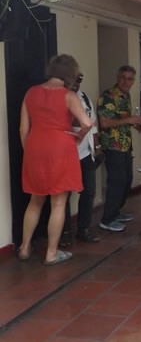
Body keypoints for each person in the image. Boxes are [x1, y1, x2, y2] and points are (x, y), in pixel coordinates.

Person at [18, 54, 93, 265]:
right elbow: (87, 122)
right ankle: (51, 253)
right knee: (58, 202)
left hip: (35, 146)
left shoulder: (31, 93)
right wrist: (78, 137)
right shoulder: (68, 95)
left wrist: (30, 153)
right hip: (60, 147)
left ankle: (24, 247)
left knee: (35, 200)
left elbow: (23, 129)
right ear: (70, 74)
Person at [97, 65, 141, 232]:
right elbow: (104, 123)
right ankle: (107, 219)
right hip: (112, 146)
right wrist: (129, 120)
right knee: (116, 182)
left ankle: (116, 212)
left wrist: (135, 124)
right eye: (123, 77)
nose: (126, 81)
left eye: (130, 78)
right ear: (117, 78)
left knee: (127, 180)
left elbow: (123, 120)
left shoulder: (126, 96)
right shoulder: (108, 96)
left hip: (125, 145)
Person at [61, 73, 102, 246]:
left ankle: (84, 229)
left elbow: (92, 125)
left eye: (79, 80)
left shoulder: (84, 98)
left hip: (85, 153)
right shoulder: (60, 99)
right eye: (74, 79)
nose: (77, 83)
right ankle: (64, 232)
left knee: (89, 191)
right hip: (66, 154)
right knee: (64, 195)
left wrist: (97, 148)